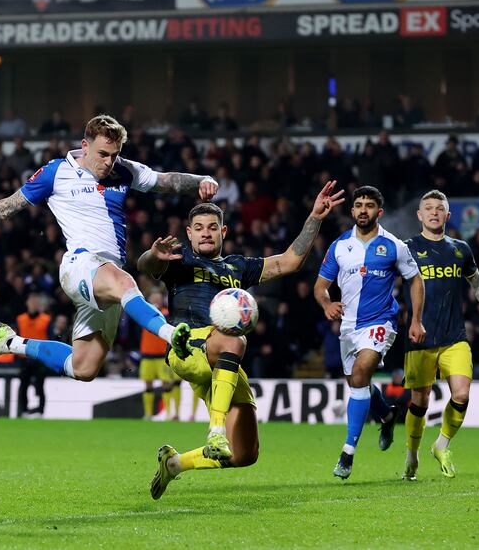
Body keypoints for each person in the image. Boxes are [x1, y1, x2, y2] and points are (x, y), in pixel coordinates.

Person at [0, 115, 219, 384]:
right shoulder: (56, 172)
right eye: (102, 154)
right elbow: (6, 207)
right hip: (80, 265)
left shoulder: (124, 170)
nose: (108, 162)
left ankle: (11, 342)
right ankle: (175, 335)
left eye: (114, 155)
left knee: (83, 368)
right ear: (85, 145)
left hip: (107, 277)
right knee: (125, 283)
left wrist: (202, 180)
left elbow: (166, 180)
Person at [144, 181, 344, 500]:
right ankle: (216, 431)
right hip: (187, 347)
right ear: (189, 232)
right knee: (235, 341)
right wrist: (153, 255)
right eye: (198, 228)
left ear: (224, 231)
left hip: (222, 361)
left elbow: (288, 262)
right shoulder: (178, 262)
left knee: (243, 455)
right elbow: (146, 266)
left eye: (212, 227)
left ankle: (175, 464)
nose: (205, 232)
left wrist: (314, 218)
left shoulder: (238, 266)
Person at [401, 190, 479, 480]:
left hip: (455, 337)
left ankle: (441, 445)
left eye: (439, 208)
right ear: (419, 215)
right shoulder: (407, 248)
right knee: (420, 402)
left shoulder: (460, 249)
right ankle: (412, 457)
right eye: (427, 208)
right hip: (421, 339)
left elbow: (478, 285)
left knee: (462, 394)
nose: (433, 212)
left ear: (448, 215)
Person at [314, 185, 426, 480]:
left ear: (380, 211)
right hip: (349, 325)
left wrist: (416, 320)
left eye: (369, 205)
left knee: (363, 371)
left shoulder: (393, 245)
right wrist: (326, 303)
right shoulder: (339, 246)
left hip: (381, 322)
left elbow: (415, 281)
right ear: (352, 211)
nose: (363, 210)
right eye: (359, 205)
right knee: (357, 383)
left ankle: (347, 452)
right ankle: (387, 415)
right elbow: (320, 287)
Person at [138, 289, 180, 420]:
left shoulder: (166, 315)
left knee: (166, 384)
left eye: (158, 298)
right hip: (147, 355)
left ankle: (168, 414)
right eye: (153, 297)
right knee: (148, 384)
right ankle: (148, 414)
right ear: (148, 299)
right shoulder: (143, 313)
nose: (156, 300)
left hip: (162, 356)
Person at [16, 293, 51, 418]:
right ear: (27, 303)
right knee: (23, 386)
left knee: (40, 386)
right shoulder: (20, 319)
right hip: (24, 357)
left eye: (36, 302)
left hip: (40, 358)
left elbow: (50, 339)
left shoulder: (46, 320)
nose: (33, 304)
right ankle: (24, 410)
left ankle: (40, 411)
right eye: (32, 301)